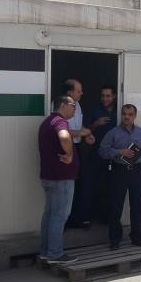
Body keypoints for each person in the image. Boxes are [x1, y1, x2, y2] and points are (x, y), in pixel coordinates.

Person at [98, 104, 141, 249]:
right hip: (118, 172)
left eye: (130, 114)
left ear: (135, 116)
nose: (127, 117)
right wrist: (120, 152)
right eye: (124, 114)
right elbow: (102, 151)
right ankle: (114, 240)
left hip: (136, 172)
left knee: (137, 205)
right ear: (121, 114)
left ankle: (137, 237)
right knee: (115, 206)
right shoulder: (113, 133)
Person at [38, 95, 81, 264]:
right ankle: (55, 254)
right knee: (60, 215)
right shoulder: (60, 121)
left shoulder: (47, 121)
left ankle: (45, 251)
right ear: (63, 105)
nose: (75, 108)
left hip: (49, 176)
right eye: (73, 105)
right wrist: (69, 155)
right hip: (61, 178)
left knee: (49, 214)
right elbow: (64, 136)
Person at [68, 85, 117, 227]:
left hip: (113, 156)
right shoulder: (94, 110)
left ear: (114, 96)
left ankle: (106, 218)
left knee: (109, 187)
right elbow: (84, 130)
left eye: (108, 96)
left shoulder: (119, 112)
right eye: (102, 96)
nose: (105, 98)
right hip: (95, 154)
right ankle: (85, 218)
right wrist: (96, 124)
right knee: (88, 186)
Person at [64, 79, 95, 229]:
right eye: (78, 90)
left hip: (77, 147)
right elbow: (61, 131)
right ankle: (64, 222)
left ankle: (77, 218)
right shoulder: (60, 105)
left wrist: (86, 134)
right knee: (66, 186)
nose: (82, 93)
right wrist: (81, 133)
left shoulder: (78, 105)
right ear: (69, 92)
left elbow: (78, 125)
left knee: (80, 183)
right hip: (65, 148)